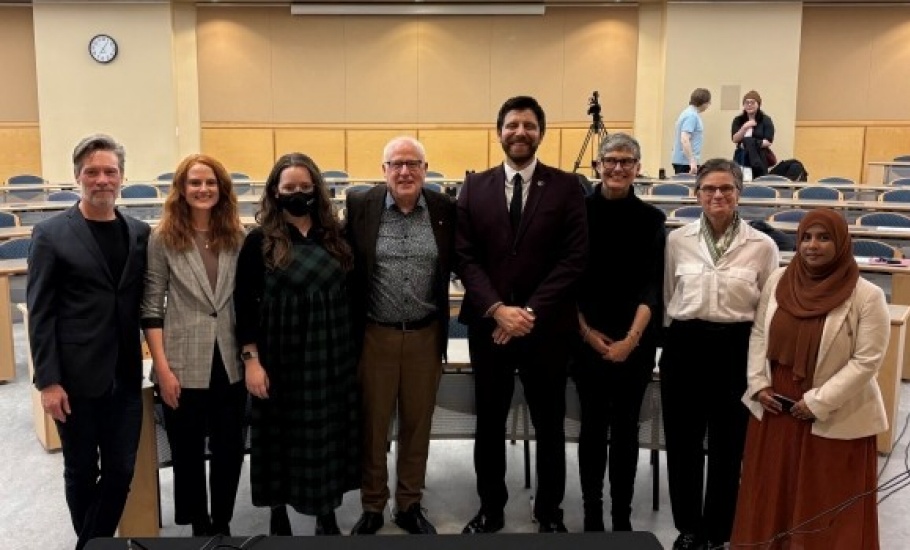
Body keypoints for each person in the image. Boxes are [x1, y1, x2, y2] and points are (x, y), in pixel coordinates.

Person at [456, 95, 588, 534]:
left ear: (541, 133)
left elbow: (573, 259)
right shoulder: (474, 187)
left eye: (529, 126)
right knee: (489, 424)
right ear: (499, 132)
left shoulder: (567, 187)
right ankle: (490, 509)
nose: (520, 132)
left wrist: (526, 314)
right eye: (512, 125)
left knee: (549, 425)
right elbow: (465, 257)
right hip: (489, 328)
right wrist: (498, 310)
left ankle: (549, 511)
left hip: (546, 330)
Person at [731, 209, 889, 550]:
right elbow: (759, 333)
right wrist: (758, 384)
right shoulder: (779, 280)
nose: (812, 246)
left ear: (841, 242)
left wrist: (818, 402)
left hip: (833, 411)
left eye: (824, 238)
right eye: (806, 237)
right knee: (772, 492)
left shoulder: (867, 295)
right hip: (775, 406)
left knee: (824, 500)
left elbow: (867, 361)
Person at [27, 134, 150, 550]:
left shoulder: (138, 233)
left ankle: (89, 545)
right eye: (92, 172)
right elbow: (40, 313)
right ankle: (96, 545)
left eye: (110, 171)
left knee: (122, 470)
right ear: (77, 176)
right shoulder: (50, 234)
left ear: (122, 177)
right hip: (74, 380)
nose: (102, 180)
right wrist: (48, 381)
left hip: (126, 375)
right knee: (81, 471)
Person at [234, 153, 359, 536]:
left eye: (305, 187)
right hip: (280, 358)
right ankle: (278, 512)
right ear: (275, 191)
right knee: (278, 438)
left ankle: (326, 512)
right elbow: (244, 306)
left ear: (317, 190)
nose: (298, 193)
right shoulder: (258, 241)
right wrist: (251, 361)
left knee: (326, 437)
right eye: (289, 187)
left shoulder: (336, 236)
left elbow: (353, 296)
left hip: (330, 355)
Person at [660, 158, 779, 550]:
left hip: (735, 348)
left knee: (729, 446)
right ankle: (689, 528)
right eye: (709, 188)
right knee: (684, 444)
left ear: (739, 193)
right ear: (696, 194)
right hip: (685, 346)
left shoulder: (762, 246)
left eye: (726, 188)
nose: (717, 195)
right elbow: (669, 295)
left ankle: (719, 531)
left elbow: (767, 312)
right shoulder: (678, 240)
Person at [345, 136, 456, 535]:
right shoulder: (361, 205)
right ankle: (373, 505)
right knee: (373, 426)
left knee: (416, 425)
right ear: (384, 170)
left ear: (425, 169)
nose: (405, 171)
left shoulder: (444, 209)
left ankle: (409, 504)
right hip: (376, 335)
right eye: (396, 164)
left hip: (426, 336)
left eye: (413, 164)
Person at [141, 154, 247, 537]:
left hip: (230, 359)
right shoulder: (163, 237)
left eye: (211, 183)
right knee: (186, 451)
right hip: (181, 362)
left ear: (222, 189)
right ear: (182, 190)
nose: (203, 189)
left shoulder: (236, 236)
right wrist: (162, 368)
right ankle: (199, 525)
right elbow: (151, 306)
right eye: (195, 183)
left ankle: (222, 522)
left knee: (229, 450)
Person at [574, 133, 665, 532]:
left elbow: (652, 287)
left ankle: (622, 515)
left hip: (635, 341)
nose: (617, 168)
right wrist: (587, 334)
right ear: (597, 165)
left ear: (638, 168)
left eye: (626, 161)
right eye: (610, 160)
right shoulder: (575, 214)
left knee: (627, 429)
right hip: (585, 339)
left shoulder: (652, 220)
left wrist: (630, 340)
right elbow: (565, 281)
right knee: (593, 427)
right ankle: (592, 512)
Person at [732, 90, 776, 179]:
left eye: (752, 102)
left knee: (759, 180)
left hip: (760, 156)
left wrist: (751, 143)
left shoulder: (765, 120)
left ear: (758, 104)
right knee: (741, 180)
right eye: (746, 102)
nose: (749, 105)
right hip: (742, 156)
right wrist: (744, 128)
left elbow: (768, 141)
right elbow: (735, 139)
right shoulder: (738, 119)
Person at [671, 88, 711, 175]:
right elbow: (685, 139)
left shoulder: (687, 113)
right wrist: (692, 161)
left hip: (684, 161)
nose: (708, 105)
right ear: (704, 102)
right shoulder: (692, 116)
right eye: (708, 103)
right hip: (686, 163)